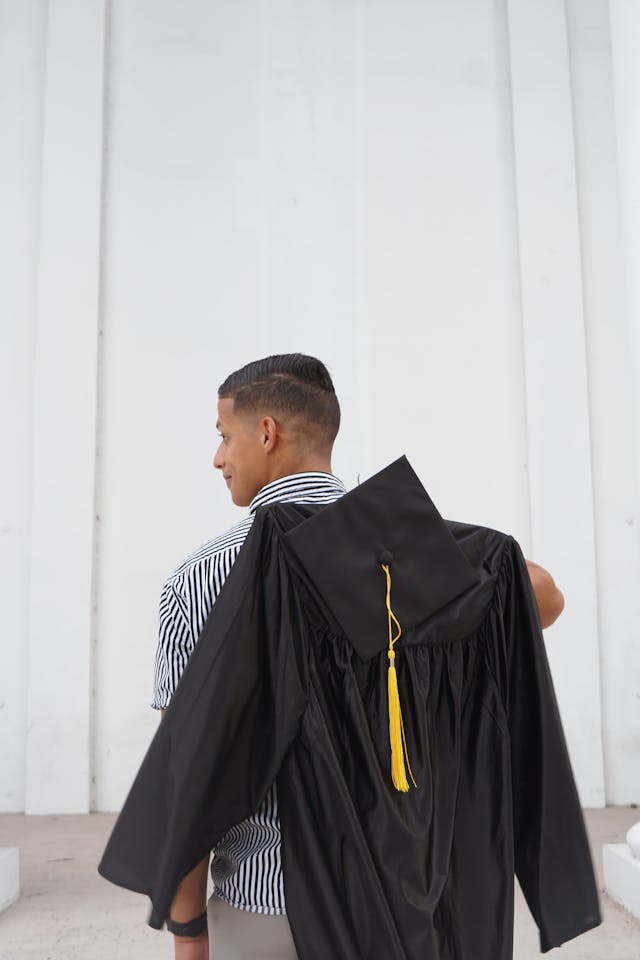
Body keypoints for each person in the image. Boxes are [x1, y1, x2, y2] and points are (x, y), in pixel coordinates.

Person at [142, 353, 567, 960]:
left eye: (223, 436)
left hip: (270, 913)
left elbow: (184, 780)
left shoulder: (203, 578)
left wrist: (188, 934)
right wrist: (462, 560)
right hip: (412, 908)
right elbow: (547, 598)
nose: (217, 457)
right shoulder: (406, 556)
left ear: (267, 433)